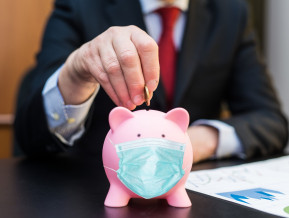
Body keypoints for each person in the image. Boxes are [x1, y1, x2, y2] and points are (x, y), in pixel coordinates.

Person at [14, 0, 288, 163]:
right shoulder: (80, 5)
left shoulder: (231, 12)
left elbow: (270, 119)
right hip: (91, 190)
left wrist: (197, 141)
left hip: (191, 193)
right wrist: (75, 73)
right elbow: (31, 132)